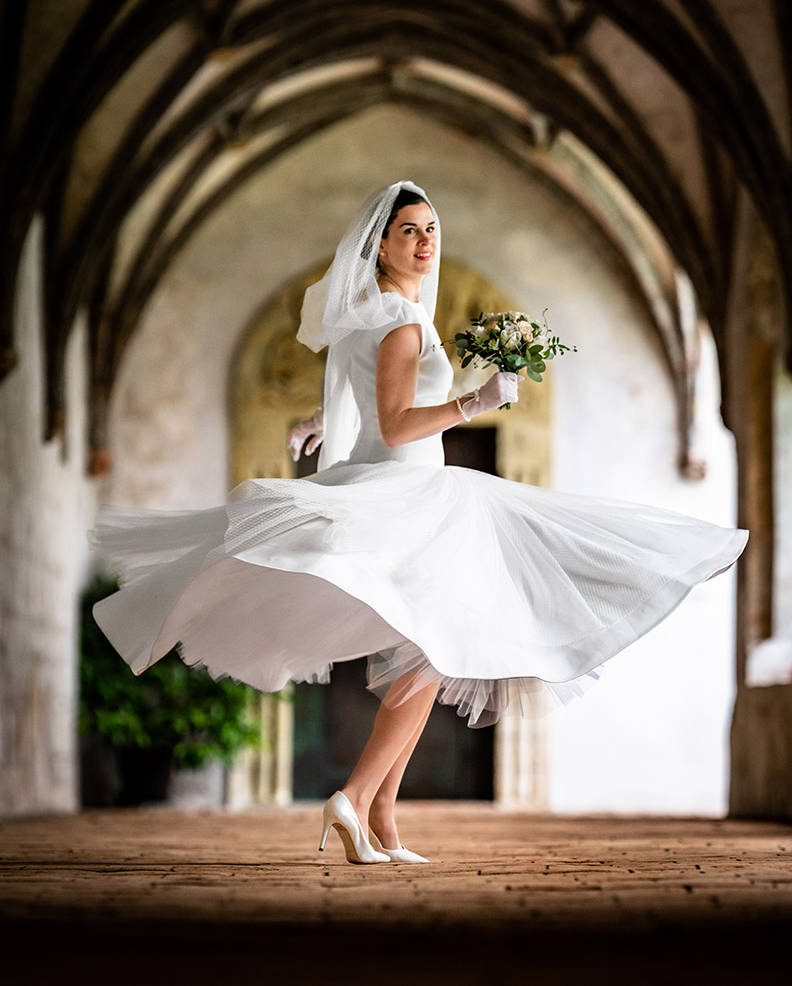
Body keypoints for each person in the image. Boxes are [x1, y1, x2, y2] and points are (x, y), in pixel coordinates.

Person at [88, 180, 748, 866]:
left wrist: (323, 420)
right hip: (408, 492)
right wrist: (474, 402)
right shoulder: (399, 319)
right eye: (409, 231)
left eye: (432, 228)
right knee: (438, 651)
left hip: (401, 487)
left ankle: (380, 816)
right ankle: (354, 798)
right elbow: (401, 421)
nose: (426, 241)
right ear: (379, 244)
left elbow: (368, 397)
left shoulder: (374, 313)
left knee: (433, 652)